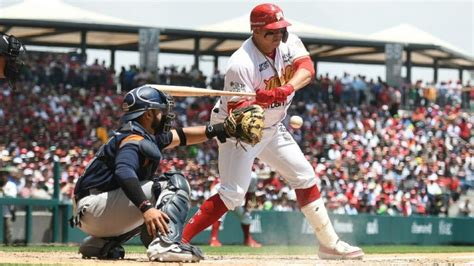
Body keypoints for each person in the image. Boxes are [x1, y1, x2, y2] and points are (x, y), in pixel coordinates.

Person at [182, 3, 364, 260]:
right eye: (271, 31)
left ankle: (328, 244)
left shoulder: (289, 44)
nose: (278, 35)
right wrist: (259, 102)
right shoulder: (241, 63)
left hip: (273, 128)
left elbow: (307, 69)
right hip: (239, 132)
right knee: (233, 193)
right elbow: (242, 118)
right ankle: (178, 240)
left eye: (280, 29)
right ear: (255, 31)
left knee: (305, 176)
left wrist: (286, 89)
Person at [72, 85, 252, 262]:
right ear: (148, 114)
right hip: (96, 206)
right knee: (173, 183)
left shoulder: (140, 134)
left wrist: (222, 129)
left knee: (155, 205)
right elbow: (124, 172)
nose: (165, 115)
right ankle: (166, 245)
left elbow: (183, 136)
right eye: (160, 110)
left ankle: (102, 243)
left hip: (90, 211)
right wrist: (145, 208)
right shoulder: (133, 139)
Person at [208, 175, 262, 247]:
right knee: (219, 214)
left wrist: (246, 207)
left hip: (235, 196)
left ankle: (248, 239)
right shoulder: (235, 166)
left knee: (246, 216)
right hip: (221, 190)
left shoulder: (253, 176)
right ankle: (213, 239)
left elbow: (250, 193)